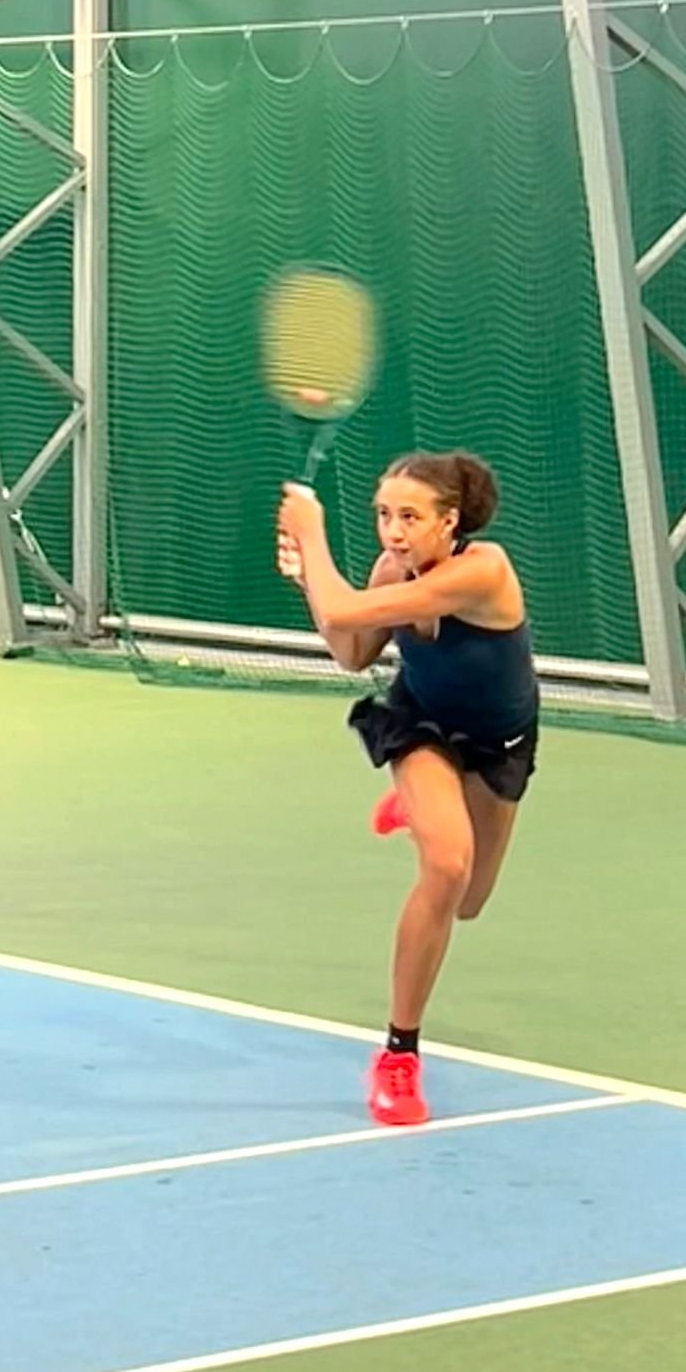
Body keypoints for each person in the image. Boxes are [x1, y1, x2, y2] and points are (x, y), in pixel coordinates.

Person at [277, 451, 539, 1126]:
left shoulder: (485, 570)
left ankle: (424, 809)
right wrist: (309, 582)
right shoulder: (390, 571)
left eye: (410, 517)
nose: (393, 531)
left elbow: (342, 604)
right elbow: (351, 651)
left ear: (449, 521)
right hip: (422, 726)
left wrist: (310, 536)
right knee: (446, 866)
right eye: (384, 515)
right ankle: (399, 1055)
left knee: (470, 901)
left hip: (499, 745)